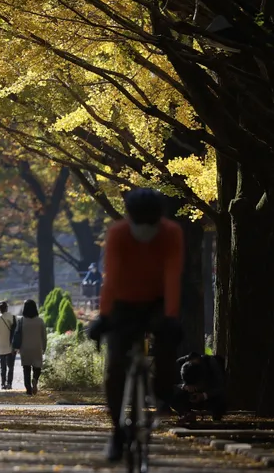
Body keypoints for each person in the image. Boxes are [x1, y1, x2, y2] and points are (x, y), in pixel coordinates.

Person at [88, 187, 184, 462]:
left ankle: (163, 391)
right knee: (116, 364)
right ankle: (118, 430)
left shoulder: (171, 233)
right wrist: (104, 316)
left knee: (166, 344)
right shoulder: (118, 233)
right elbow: (112, 277)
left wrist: (171, 316)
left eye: (150, 223)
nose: (144, 229)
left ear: (159, 219)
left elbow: (172, 275)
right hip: (123, 303)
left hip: (157, 301)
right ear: (130, 217)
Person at [171, 352, 227, 421]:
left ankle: (217, 417)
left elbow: (221, 387)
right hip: (188, 397)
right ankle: (186, 414)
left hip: (209, 397)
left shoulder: (212, 363)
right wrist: (183, 386)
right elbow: (170, 385)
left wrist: (204, 395)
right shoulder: (179, 363)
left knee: (220, 399)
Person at [16, 299, 48, 395]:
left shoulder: (21, 321)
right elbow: (44, 336)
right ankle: (35, 380)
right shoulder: (40, 321)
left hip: (24, 348)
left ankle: (28, 389)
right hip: (37, 347)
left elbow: (18, 334)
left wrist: (17, 347)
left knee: (26, 369)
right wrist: (44, 347)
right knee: (37, 367)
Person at [0, 300, 17, 390]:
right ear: (7, 308)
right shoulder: (13, 318)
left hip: (1, 346)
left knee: (3, 367)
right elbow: (17, 332)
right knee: (11, 366)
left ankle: (2, 384)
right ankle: (9, 383)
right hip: (11, 346)